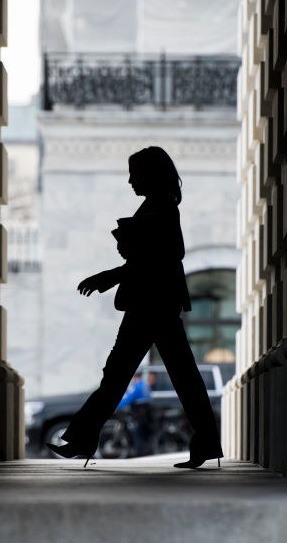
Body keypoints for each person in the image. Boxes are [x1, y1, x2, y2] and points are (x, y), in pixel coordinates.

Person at [46, 146, 223, 469]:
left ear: (150, 174)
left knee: (126, 376)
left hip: (152, 306)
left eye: (135, 173)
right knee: (168, 377)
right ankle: (84, 437)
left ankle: (83, 437)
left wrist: (113, 273)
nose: (130, 181)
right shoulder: (156, 207)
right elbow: (151, 256)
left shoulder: (164, 208)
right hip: (152, 305)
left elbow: (166, 256)